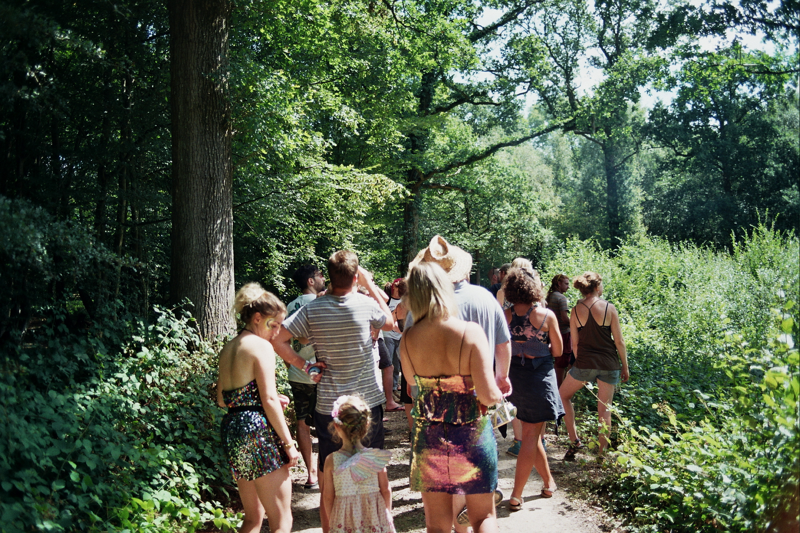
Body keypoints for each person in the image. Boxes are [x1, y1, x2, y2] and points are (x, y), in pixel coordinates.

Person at [271, 250, 394, 533]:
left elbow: (278, 338)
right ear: (354, 277)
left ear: (328, 277)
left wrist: (306, 366)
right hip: (367, 403)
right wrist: (369, 282)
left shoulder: (312, 309)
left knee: (329, 477)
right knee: (373, 472)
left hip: (330, 406)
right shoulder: (365, 304)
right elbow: (391, 322)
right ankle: (378, 526)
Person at [405, 235, 511, 530]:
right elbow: (489, 396)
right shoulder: (470, 332)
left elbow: (413, 386)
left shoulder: (408, 338)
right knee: (483, 517)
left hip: (430, 437)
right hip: (472, 433)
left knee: (437, 525)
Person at [217, 283, 301, 533]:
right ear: (257, 318)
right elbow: (269, 401)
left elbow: (223, 400)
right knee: (282, 519)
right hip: (257, 432)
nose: (276, 332)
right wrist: (288, 444)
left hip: (233, 430)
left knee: (253, 517)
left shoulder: (229, 348)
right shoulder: (261, 346)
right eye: (273, 325)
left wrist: (262, 399)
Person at [502, 268, 565, 512]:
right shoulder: (546, 315)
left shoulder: (504, 314)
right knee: (530, 435)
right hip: (539, 379)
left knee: (532, 431)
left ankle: (549, 482)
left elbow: (500, 346)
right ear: (533, 289)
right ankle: (516, 495)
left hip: (515, 378)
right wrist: (542, 345)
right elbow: (558, 352)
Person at [559, 271, 629, 460]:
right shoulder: (609, 308)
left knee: (562, 396)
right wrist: (625, 366)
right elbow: (619, 341)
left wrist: (579, 364)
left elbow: (575, 344)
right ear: (597, 287)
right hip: (609, 364)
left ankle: (575, 441)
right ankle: (602, 456)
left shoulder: (575, 310)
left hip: (584, 363)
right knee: (604, 409)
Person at [322, 395, 396, 533]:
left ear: (336, 426)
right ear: (366, 425)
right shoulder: (375, 458)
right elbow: (385, 490)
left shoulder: (331, 460)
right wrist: (386, 516)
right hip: (375, 517)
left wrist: (333, 521)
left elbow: (328, 496)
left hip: (344, 521)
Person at [284, 265, 326, 489]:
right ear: (310, 281)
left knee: (302, 422)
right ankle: (324, 472)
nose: (323, 278)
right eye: (320, 276)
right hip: (320, 373)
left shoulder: (290, 305)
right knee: (325, 423)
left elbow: (286, 339)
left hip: (297, 372)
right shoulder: (319, 303)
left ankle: (311, 475)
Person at [546, 274, 573, 388]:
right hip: (564, 333)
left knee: (557, 362)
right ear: (559, 284)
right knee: (562, 364)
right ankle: (561, 389)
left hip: (551, 333)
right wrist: (576, 324)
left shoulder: (550, 296)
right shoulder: (561, 298)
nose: (568, 286)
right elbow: (564, 318)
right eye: (566, 284)